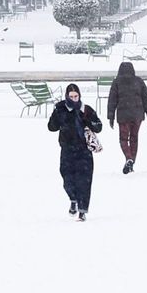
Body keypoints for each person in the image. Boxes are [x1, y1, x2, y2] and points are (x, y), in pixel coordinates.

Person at [47, 83, 102, 220]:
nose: (73, 99)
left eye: (76, 96)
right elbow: (51, 127)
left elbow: (98, 126)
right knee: (67, 180)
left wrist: (88, 120)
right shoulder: (61, 109)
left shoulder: (86, 110)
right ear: (66, 96)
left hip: (84, 152)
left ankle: (82, 211)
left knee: (84, 181)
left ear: (79, 96)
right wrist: (57, 112)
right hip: (67, 150)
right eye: (71, 96)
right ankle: (73, 199)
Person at [105, 61, 147, 175]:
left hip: (123, 115)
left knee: (123, 139)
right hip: (137, 114)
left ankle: (128, 158)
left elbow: (112, 100)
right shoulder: (139, 81)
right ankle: (132, 161)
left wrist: (110, 116)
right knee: (134, 138)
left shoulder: (117, 82)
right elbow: (146, 98)